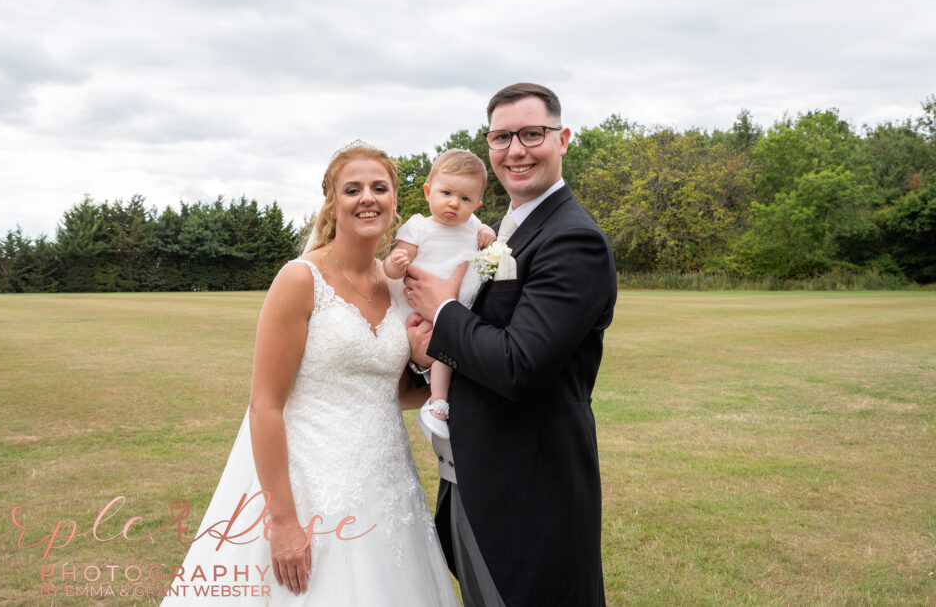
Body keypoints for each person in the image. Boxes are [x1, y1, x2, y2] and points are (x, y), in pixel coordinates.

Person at [163, 143, 458, 606]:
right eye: (353, 188)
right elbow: (264, 405)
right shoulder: (301, 279)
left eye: (380, 188)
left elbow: (393, 391)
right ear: (331, 203)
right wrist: (282, 521)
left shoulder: (399, 286)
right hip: (312, 486)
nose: (368, 198)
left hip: (387, 489)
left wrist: (424, 361)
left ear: (395, 202)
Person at [404, 83, 617, 606]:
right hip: (473, 473)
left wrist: (444, 311)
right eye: (501, 137)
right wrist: (422, 354)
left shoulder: (573, 239)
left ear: (562, 139)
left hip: (531, 490)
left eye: (532, 133)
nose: (516, 149)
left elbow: (520, 365)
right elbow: (474, 330)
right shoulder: (498, 233)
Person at [383, 149, 495, 443]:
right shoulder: (418, 227)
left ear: (477, 204)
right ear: (428, 191)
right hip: (418, 305)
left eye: (466, 199)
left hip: (457, 305)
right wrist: (395, 264)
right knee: (438, 346)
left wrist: (488, 234)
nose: (454, 203)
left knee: (449, 348)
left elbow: (485, 238)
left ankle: (438, 403)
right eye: (446, 193)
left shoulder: (473, 226)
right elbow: (395, 267)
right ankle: (438, 401)